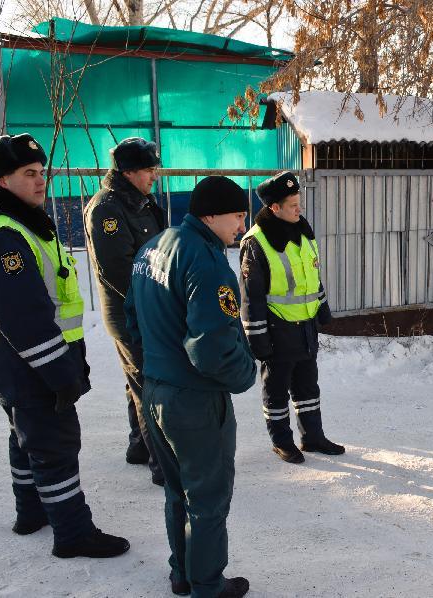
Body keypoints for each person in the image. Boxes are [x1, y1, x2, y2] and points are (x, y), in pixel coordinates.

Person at [0, 133, 129, 559]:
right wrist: (60, 374)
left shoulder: (15, 220)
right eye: (28, 174)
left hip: (7, 360)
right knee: (54, 446)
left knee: (25, 438)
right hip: (30, 363)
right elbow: (28, 320)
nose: (41, 182)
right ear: (1, 181)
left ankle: (31, 511)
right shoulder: (5, 236)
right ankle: (73, 533)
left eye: (42, 173)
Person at [124, 175, 256, 598]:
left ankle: (182, 572)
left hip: (156, 392)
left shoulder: (153, 247)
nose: (241, 226)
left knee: (179, 491)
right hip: (194, 401)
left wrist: (154, 371)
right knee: (208, 498)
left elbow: (133, 320)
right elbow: (211, 348)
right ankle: (207, 584)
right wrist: (246, 374)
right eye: (238, 216)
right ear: (211, 214)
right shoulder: (205, 259)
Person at [238, 171, 344, 464]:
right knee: (276, 391)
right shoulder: (256, 242)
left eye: (299, 202)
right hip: (277, 327)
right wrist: (257, 338)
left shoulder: (302, 229)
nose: (300, 209)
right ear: (274, 208)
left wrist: (322, 308)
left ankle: (313, 437)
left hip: (306, 325)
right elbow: (251, 298)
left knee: (308, 387)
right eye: (293, 205)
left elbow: (312, 276)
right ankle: (282, 441)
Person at [85, 137, 167, 485]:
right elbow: (116, 269)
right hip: (129, 310)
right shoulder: (107, 208)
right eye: (149, 170)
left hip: (148, 306)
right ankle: (164, 466)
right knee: (148, 383)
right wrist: (152, 305)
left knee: (137, 378)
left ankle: (139, 445)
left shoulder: (141, 201)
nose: (155, 176)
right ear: (130, 171)